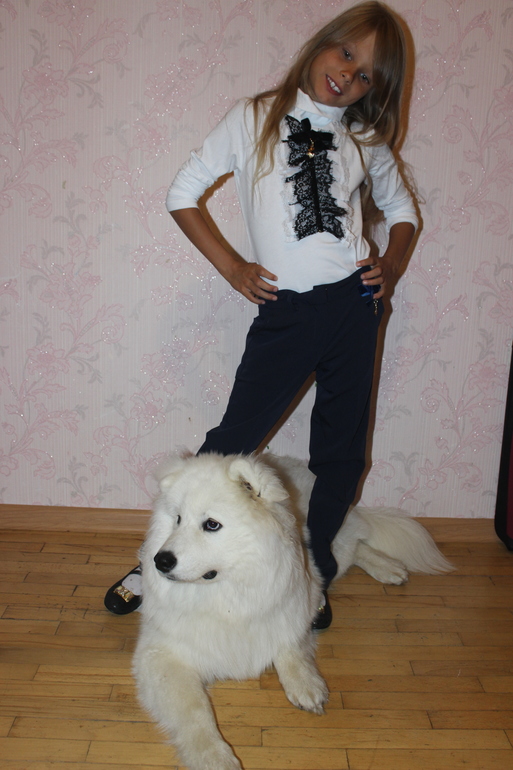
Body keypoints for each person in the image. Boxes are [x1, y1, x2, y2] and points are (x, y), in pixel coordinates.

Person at [104, 1, 418, 627]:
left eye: (365, 75)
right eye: (346, 53)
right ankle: (153, 562)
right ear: (323, 43)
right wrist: (233, 268)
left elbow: (404, 210)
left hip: (355, 309)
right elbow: (182, 193)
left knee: (342, 453)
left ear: (373, 91)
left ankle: (314, 573)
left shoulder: (364, 138)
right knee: (229, 445)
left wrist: (391, 263)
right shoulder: (254, 117)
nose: (348, 75)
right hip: (287, 314)